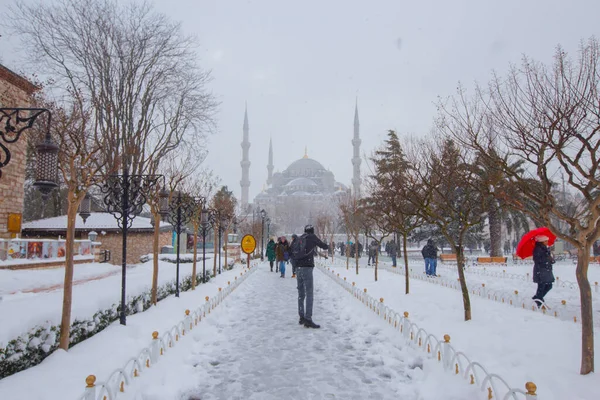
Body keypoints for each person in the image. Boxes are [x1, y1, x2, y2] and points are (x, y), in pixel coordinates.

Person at [294, 224, 329, 328]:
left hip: (298, 268)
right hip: (307, 267)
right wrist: (326, 243)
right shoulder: (312, 237)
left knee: (301, 294)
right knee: (309, 293)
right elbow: (323, 246)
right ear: (312, 231)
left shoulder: (300, 238)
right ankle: (308, 319)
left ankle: (301, 317)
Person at [532, 235, 555, 307]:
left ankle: (538, 297)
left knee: (549, 285)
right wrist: (546, 259)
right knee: (541, 286)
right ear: (541, 241)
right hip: (541, 270)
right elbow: (538, 260)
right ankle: (539, 301)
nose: (547, 242)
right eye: (545, 241)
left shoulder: (545, 248)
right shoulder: (538, 249)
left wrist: (550, 258)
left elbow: (547, 258)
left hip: (546, 270)